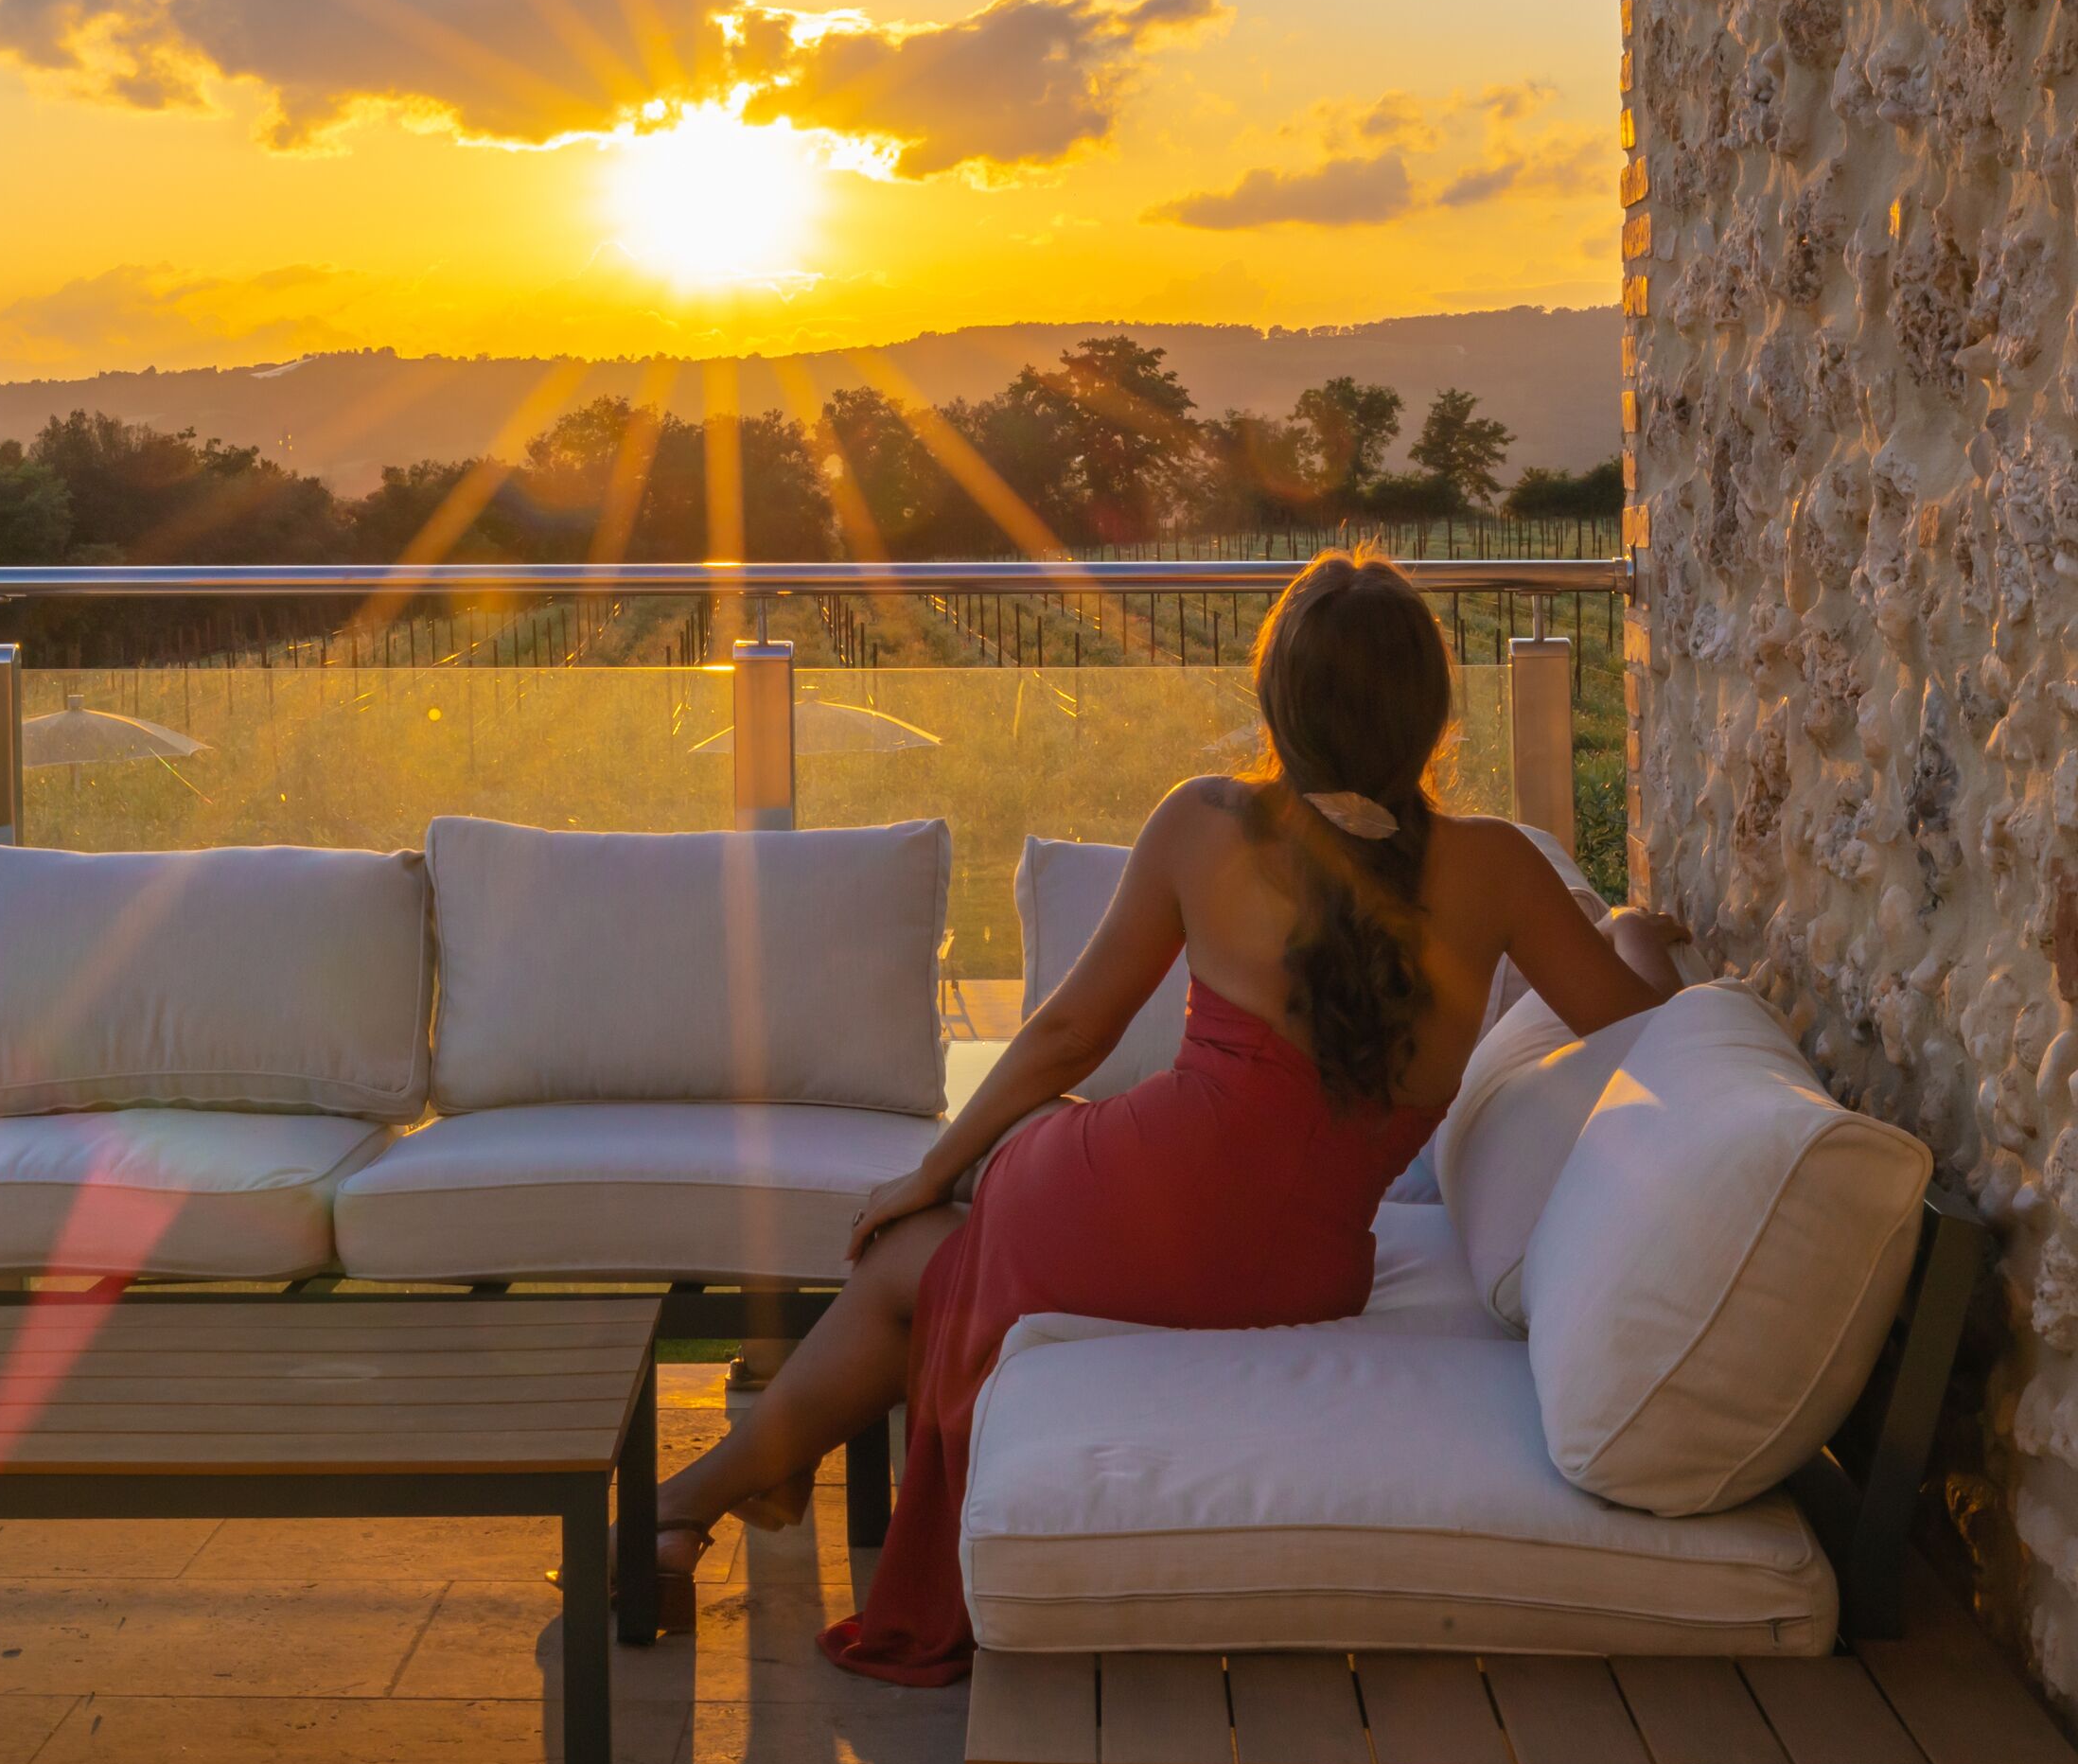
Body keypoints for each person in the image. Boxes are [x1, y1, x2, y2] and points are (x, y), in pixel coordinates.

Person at [642, 550, 1692, 1682]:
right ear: (1428, 713)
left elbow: (1066, 1037)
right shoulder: (1500, 869)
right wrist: (1635, 930)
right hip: (1301, 1271)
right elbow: (1639, 1026)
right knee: (941, 1256)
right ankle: (719, 1495)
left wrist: (933, 1167)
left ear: (1277, 701)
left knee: (915, 1253)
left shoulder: (1208, 825)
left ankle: (699, 1500)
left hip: (1134, 1195)